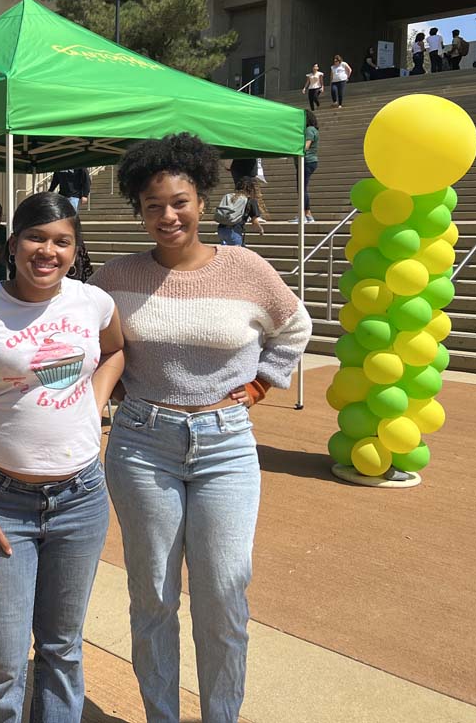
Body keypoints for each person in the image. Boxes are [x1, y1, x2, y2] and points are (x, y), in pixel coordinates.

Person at [90, 133, 311, 723]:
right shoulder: (114, 279)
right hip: (142, 444)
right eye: (153, 205)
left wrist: (265, 382)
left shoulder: (246, 267)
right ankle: (161, 715)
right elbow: (86, 346)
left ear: (202, 202)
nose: (168, 215)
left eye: (180, 201)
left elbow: (295, 326)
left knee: (223, 597)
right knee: (154, 597)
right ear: (138, 210)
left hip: (225, 446)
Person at [0, 191, 124, 723]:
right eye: (37, 238)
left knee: (62, 649)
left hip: (81, 499)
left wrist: (94, 398)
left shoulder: (93, 302)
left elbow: (114, 350)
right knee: (0, 663)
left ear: (75, 247)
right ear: (14, 242)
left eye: (62, 241)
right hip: (3, 506)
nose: (48, 251)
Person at [215, 177, 265, 247]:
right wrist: (260, 229)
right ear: (251, 189)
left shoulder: (228, 196)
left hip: (221, 230)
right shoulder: (250, 201)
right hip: (234, 230)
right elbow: (255, 222)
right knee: (236, 255)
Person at [290, 111, 319, 224]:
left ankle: (304, 214)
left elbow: (306, 146)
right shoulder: (311, 130)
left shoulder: (309, 130)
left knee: (302, 188)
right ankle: (307, 214)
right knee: (302, 188)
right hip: (307, 162)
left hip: (307, 161)